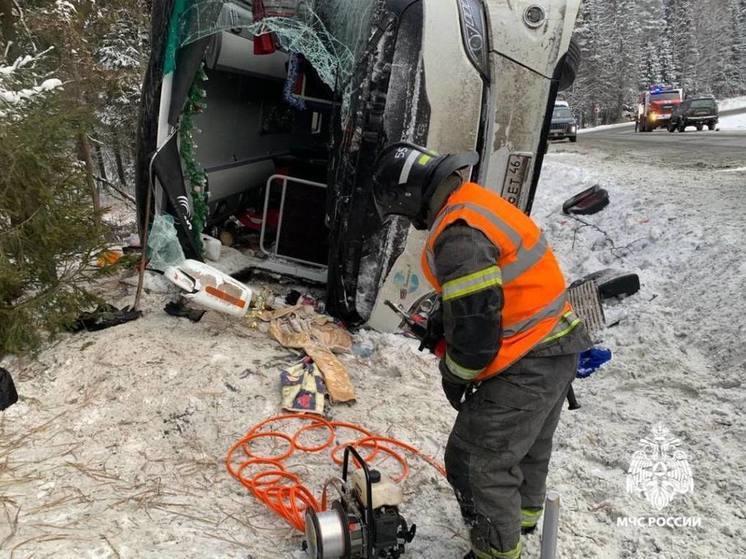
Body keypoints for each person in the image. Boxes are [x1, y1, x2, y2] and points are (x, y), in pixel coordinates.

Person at [372, 143, 592, 559]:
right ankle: (520, 521)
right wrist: (445, 318)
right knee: (525, 446)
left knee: (476, 459)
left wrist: (455, 372)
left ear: (411, 197)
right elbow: (486, 294)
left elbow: (475, 336)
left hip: (529, 357)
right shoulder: (472, 205)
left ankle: (496, 551)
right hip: (554, 342)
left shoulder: (459, 236)